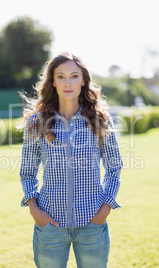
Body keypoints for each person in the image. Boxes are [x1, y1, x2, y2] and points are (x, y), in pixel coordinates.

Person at [19, 52, 123, 268]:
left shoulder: (100, 120)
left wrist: (104, 211)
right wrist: (35, 210)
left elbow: (114, 168)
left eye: (74, 76)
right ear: (53, 82)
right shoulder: (36, 123)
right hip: (50, 226)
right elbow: (27, 172)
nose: (68, 83)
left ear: (83, 81)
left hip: (92, 225)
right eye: (61, 76)